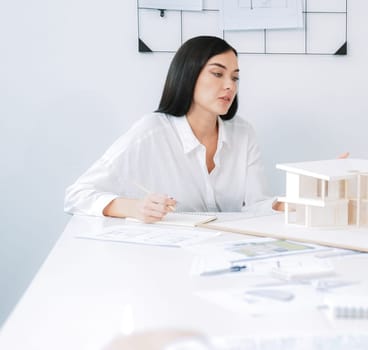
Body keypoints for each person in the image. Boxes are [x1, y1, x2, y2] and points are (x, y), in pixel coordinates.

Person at [64, 36, 275, 223]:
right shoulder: (151, 131)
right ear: (189, 75)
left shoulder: (243, 133)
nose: (230, 85)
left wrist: (288, 205)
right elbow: (77, 195)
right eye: (218, 74)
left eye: (235, 77)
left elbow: (257, 206)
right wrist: (135, 208)